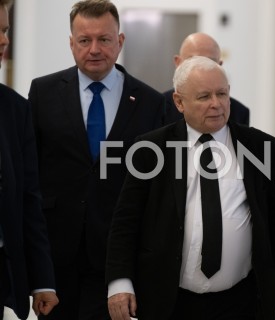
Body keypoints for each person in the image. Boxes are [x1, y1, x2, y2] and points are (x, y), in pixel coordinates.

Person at [105, 56, 275, 320]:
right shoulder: (150, 149)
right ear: (179, 102)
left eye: (222, 94)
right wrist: (119, 282)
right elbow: (126, 221)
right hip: (169, 302)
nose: (216, 104)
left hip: (243, 302)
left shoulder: (263, 148)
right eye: (204, 96)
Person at [27, 0, 165, 318]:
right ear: (71, 43)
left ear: (120, 41)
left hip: (116, 255)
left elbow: (155, 186)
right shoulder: (43, 92)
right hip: (56, 256)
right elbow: (31, 173)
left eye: (104, 39)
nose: (94, 49)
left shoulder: (148, 102)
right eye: (84, 40)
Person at [0, 0, 59, 319]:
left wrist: (42, 281)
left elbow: (28, 201)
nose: (4, 39)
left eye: (6, 30)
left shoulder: (15, 109)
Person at [163, 32, 250, 126]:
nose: (202, 69)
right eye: (194, 61)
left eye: (210, 62)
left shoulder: (239, 113)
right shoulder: (157, 108)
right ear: (178, 62)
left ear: (220, 65)